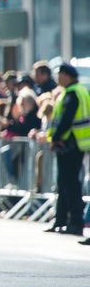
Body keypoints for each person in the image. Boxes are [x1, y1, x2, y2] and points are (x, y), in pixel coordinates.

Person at [44, 63, 90, 237]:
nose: (57, 78)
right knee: (63, 185)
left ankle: (75, 222)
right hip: (73, 144)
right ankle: (61, 220)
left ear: (68, 75)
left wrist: (55, 139)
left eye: (60, 74)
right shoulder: (75, 92)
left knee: (70, 185)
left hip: (70, 144)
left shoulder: (73, 93)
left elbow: (66, 120)